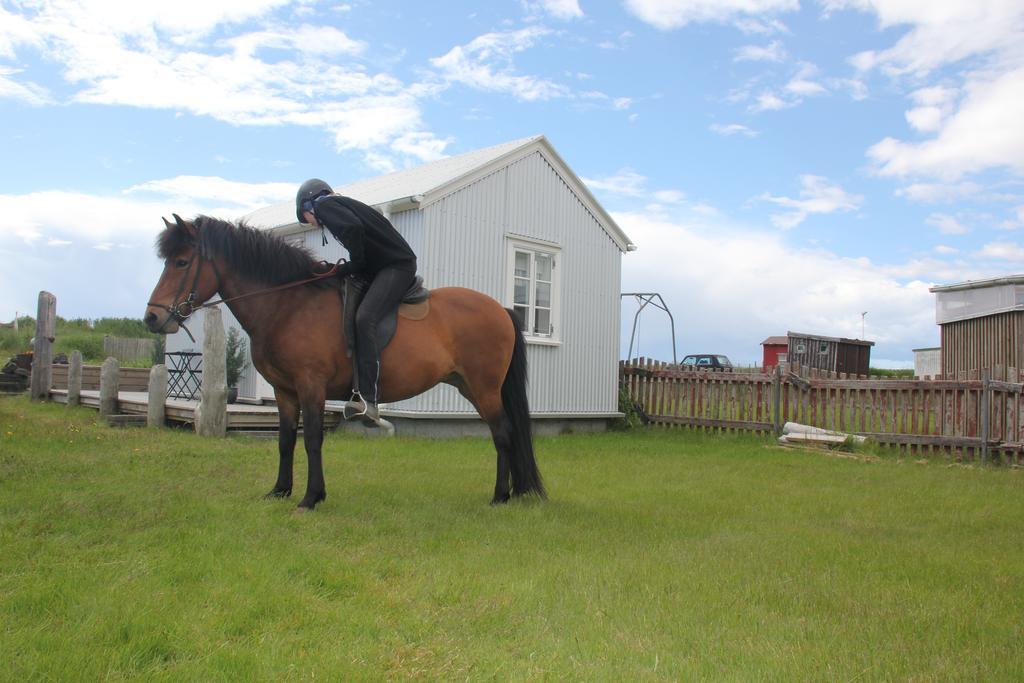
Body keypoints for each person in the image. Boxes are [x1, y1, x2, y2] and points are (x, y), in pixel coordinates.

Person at [296, 178, 417, 423]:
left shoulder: (325, 206)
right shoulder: (342, 204)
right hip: (381, 267)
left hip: (396, 266)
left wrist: (355, 264)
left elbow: (352, 229)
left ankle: (369, 399)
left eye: (304, 217)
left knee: (365, 319)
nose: (309, 223)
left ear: (309, 204)